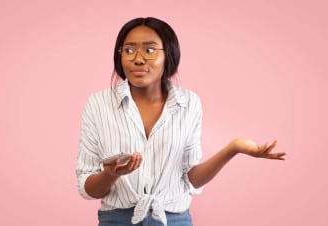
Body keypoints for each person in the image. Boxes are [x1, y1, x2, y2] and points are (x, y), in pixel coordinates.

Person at [76, 17, 286, 226]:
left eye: (149, 50)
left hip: (174, 220)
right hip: (117, 220)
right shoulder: (98, 104)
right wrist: (110, 174)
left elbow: (192, 179)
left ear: (169, 55)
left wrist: (234, 148)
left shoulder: (189, 103)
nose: (138, 59)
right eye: (129, 50)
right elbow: (88, 187)